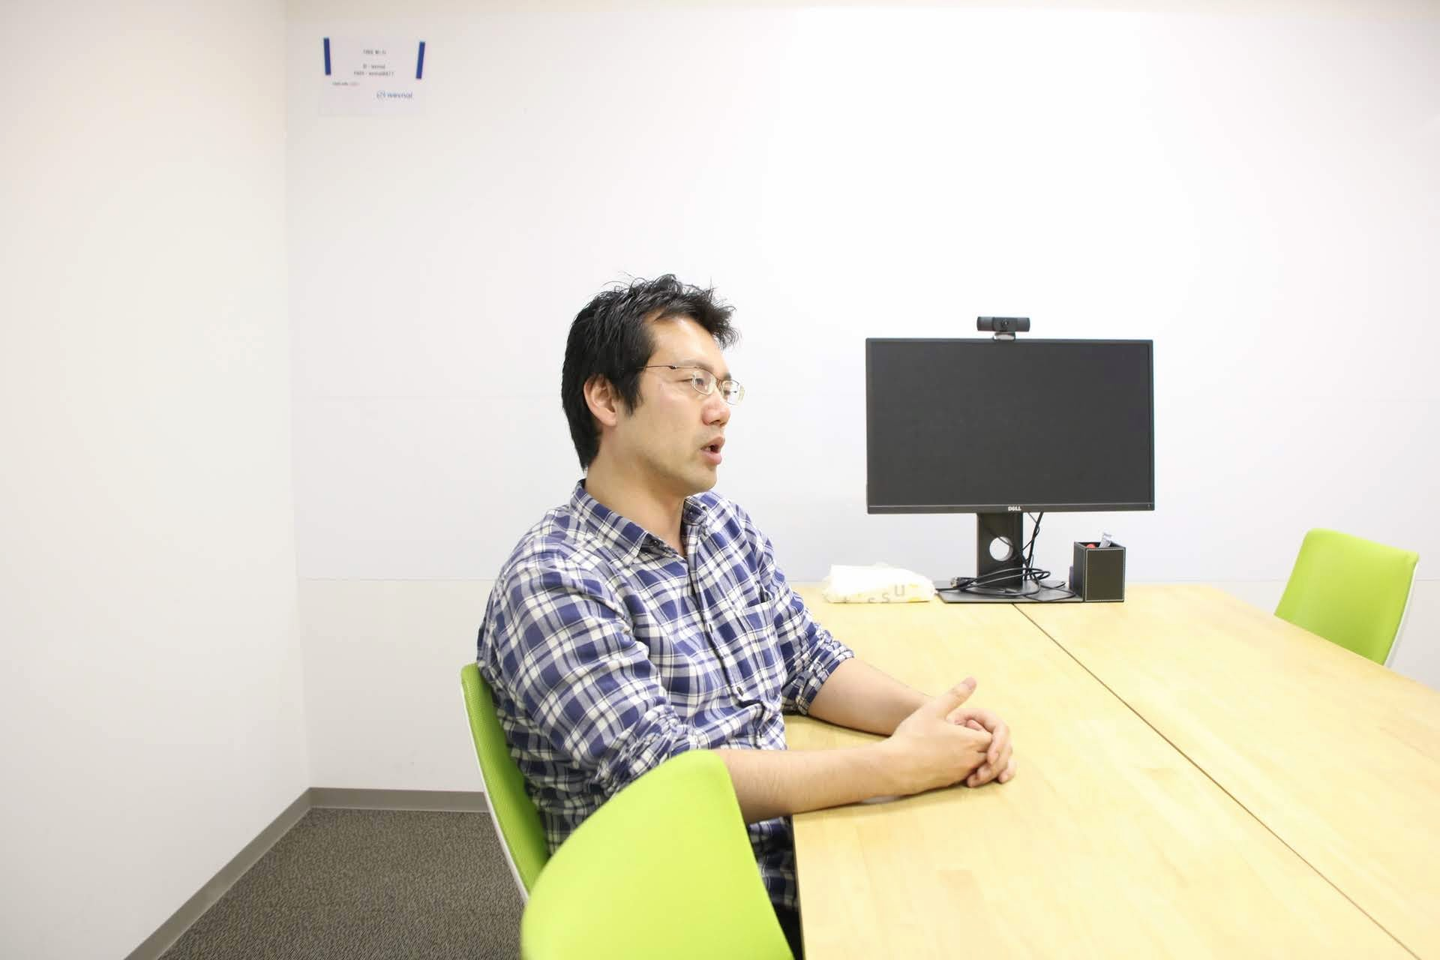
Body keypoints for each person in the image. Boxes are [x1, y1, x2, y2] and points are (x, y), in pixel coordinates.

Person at [475, 275, 1015, 956]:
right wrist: (894, 767)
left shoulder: (722, 527)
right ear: (606, 398)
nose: (720, 410)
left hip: (791, 853)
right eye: (694, 381)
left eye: (725, 388)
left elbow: (808, 662)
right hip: (690, 914)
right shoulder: (554, 579)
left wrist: (932, 719)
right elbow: (673, 778)